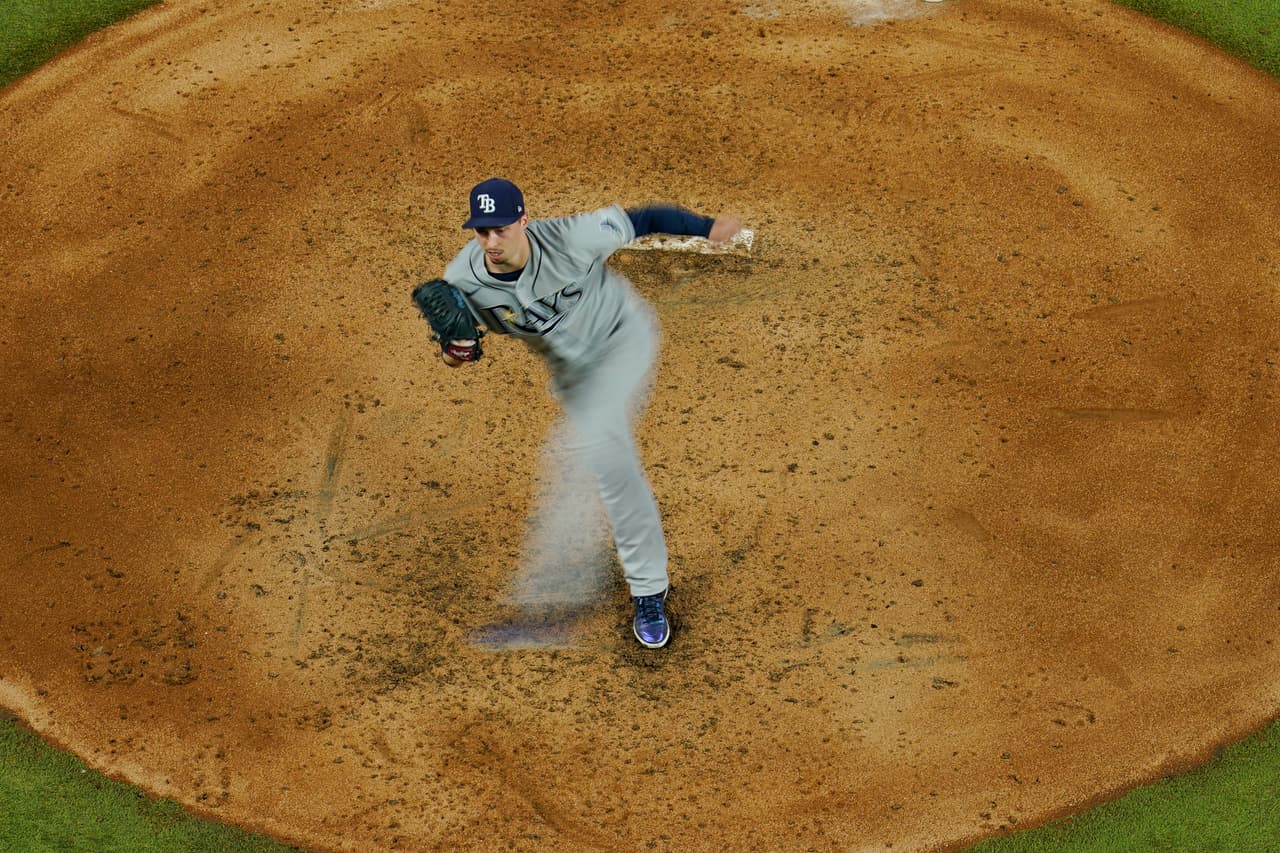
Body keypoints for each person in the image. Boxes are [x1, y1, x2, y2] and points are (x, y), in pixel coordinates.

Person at [438, 177, 742, 649]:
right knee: (582, 464)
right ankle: (553, 602)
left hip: (623, 340)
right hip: (575, 376)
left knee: (598, 456)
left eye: (501, 229)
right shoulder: (461, 281)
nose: (491, 242)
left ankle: (643, 592)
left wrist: (707, 228)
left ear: (523, 221)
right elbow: (458, 349)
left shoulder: (571, 238)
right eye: (482, 232)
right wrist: (458, 351)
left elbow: (641, 221)